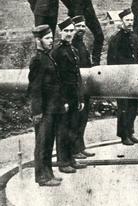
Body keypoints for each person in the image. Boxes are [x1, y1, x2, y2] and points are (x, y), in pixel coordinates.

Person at [28, 25, 63, 186]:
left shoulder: (47, 57)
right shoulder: (37, 60)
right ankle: (42, 177)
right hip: (43, 110)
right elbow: (35, 88)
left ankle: (48, 173)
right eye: (47, 38)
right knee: (42, 143)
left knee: (48, 143)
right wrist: (37, 112)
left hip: (52, 108)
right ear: (38, 40)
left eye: (51, 37)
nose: (51, 41)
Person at [51, 17, 87, 173]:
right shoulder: (57, 52)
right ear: (60, 32)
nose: (69, 33)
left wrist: (80, 98)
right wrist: (62, 100)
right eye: (66, 31)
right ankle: (63, 162)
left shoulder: (73, 50)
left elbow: (77, 76)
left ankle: (71, 158)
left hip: (74, 96)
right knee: (63, 130)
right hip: (63, 97)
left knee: (72, 128)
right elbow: (56, 79)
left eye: (72, 30)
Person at [107, 8, 138, 145]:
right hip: (121, 78)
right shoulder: (116, 39)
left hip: (134, 76)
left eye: (131, 20)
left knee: (133, 105)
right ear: (121, 21)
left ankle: (130, 132)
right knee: (123, 107)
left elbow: (136, 56)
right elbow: (111, 61)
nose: (130, 23)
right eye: (127, 20)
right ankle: (123, 135)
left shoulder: (134, 36)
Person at [70, 15, 95, 160]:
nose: (81, 29)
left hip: (85, 86)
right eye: (78, 26)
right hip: (77, 87)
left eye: (83, 26)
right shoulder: (73, 45)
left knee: (83, 118)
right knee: (76, 119)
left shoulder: (81, 43)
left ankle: (80, 147)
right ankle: (74, 149)